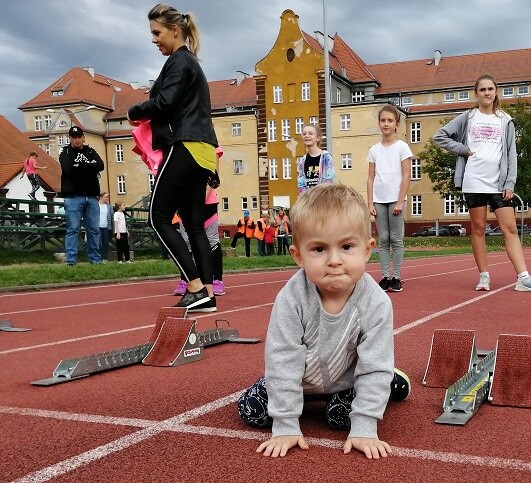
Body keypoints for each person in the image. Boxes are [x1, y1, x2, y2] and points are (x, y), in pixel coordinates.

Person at [236, 184, 411, 458]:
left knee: (343, 419)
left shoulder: (376, 303)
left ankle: (391, 382)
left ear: (367, 250)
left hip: (345, 380)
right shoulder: (291, 299)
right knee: (251, 411)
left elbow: (374, 367)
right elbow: (282, 360)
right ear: (298, 256)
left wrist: (365, 426)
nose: (334, 260)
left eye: (346, 247)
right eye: (319, 249)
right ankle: (296, 403)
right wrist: (285, 425)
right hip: (301, 378)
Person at [127, 4, 219, 312]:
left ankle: (194, 287)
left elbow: (164, 102)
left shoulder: (180, 62)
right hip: (203, 151)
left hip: (186, 146)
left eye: (157, 32)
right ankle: (207, 293)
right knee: (194, 224)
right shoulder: (189, 62)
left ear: (174, 30)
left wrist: (134, 110)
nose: (154, 39)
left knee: (157, 217)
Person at [433, 74, 531, 293]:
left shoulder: (505, 120)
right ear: (476, 93)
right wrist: (463, 149)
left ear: (496, 92)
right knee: (478, 229)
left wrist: (510, 183)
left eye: (490, 89)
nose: (486, 93)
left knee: (510, 228)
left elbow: (512, 154)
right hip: (473, 180)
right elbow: (440, 136)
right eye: (482, 89)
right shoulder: (468, 117)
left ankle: (523, 277)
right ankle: (484, 276)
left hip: (498, 183)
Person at [366, 105, 412, 292]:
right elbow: (370, 177)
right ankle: (385, 277)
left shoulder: (402, 147)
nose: (386, 124)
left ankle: (397, 277)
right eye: (383, 120)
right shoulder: (374, 150)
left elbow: (406, 175)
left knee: (396, 239)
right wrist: (370, 202)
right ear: (379, 124)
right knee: (383, 239)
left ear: (397, 124)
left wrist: (400, 201)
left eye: (390, 121)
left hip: (396, 199)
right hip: (379, 199)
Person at [59, 126, 104, 266]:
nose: (77, 139)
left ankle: (95, 260)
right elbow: (68, 169)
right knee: (73, 228)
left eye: (79, 137)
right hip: (73, 196)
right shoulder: (65, 152)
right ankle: (71, 260)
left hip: (91, 196)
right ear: (70, 138)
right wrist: (89, 166)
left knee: (94, 230)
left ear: (83, 138)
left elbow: (101, 165)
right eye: (74, 137)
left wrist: (78, 165)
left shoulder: (90, 151)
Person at [298, 124, 336, 193]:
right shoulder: (302, 161)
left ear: (318, 138)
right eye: (304, 134)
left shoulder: (326, 157)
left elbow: (330, 180)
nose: (307, 135)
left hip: (323, 198)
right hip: (308, 200)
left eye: (311, 133)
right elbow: (301, 183)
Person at [98, 192, 113, 262]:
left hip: (106, 227)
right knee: (98, 242)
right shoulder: (96, 205)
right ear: (101, 197)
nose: (107, 198)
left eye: (108, 197)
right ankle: (97, 257)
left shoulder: (109, 206)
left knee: (106, 243)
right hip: (98, 226)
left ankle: (105, 258)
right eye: (106, 197)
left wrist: (113, 227)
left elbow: (112, 217)